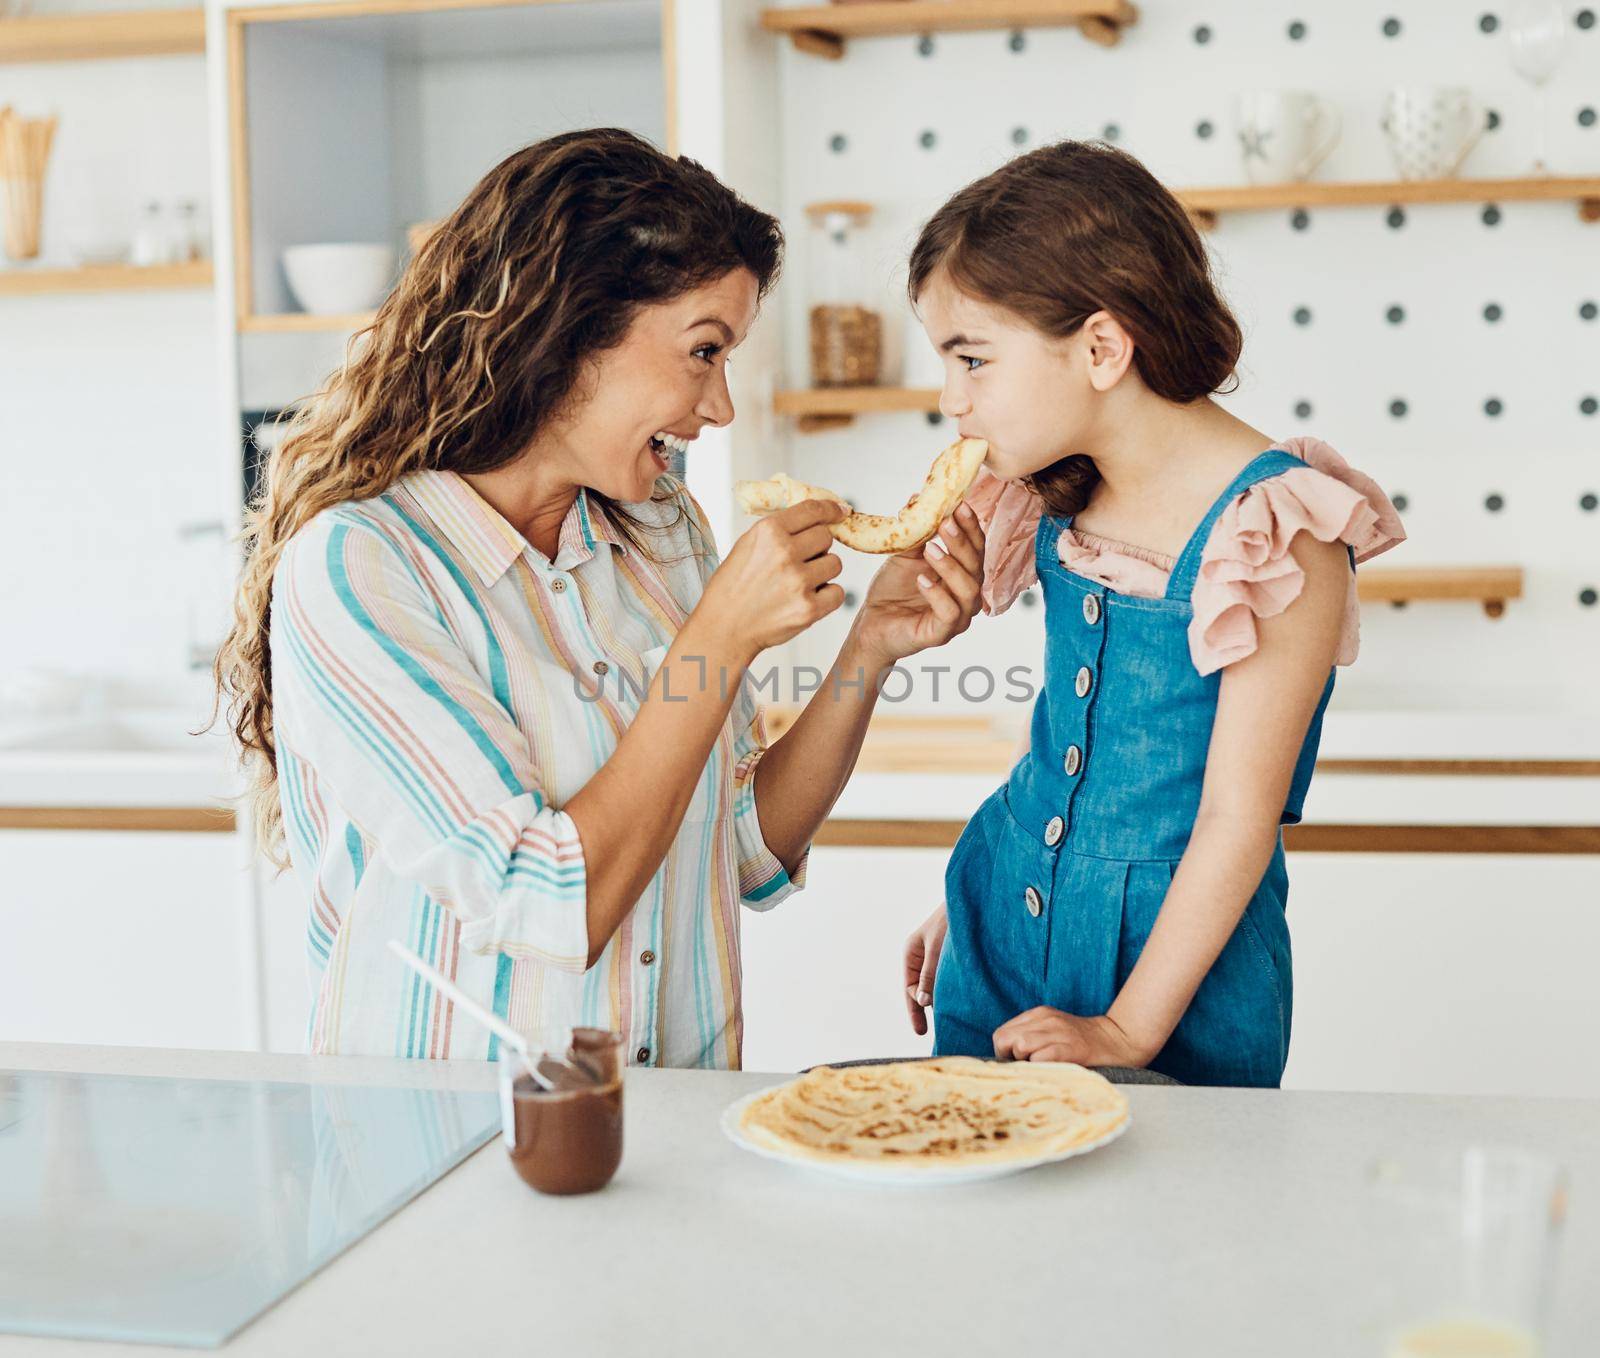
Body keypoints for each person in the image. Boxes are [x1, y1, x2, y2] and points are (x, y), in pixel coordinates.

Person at [214, 128, 986, 1065]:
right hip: (455, 1153)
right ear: (570, 331)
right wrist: (717, 640)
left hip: (672, 1129)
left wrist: (871, 646)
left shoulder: (661, 529)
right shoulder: (361, 569)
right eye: (704, 351)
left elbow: (741, 844)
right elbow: (544, 900)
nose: (721, 407)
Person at [899, 140, 1405, 1086]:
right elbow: (1061, 732)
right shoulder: (1057, 491)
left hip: (1174, 977)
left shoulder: (1279, 529)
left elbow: (1237, 819)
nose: (950, 400)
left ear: (1101, 347)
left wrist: (1127, 1032)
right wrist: (977, 902)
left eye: (971, 359)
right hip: (1004, 919)